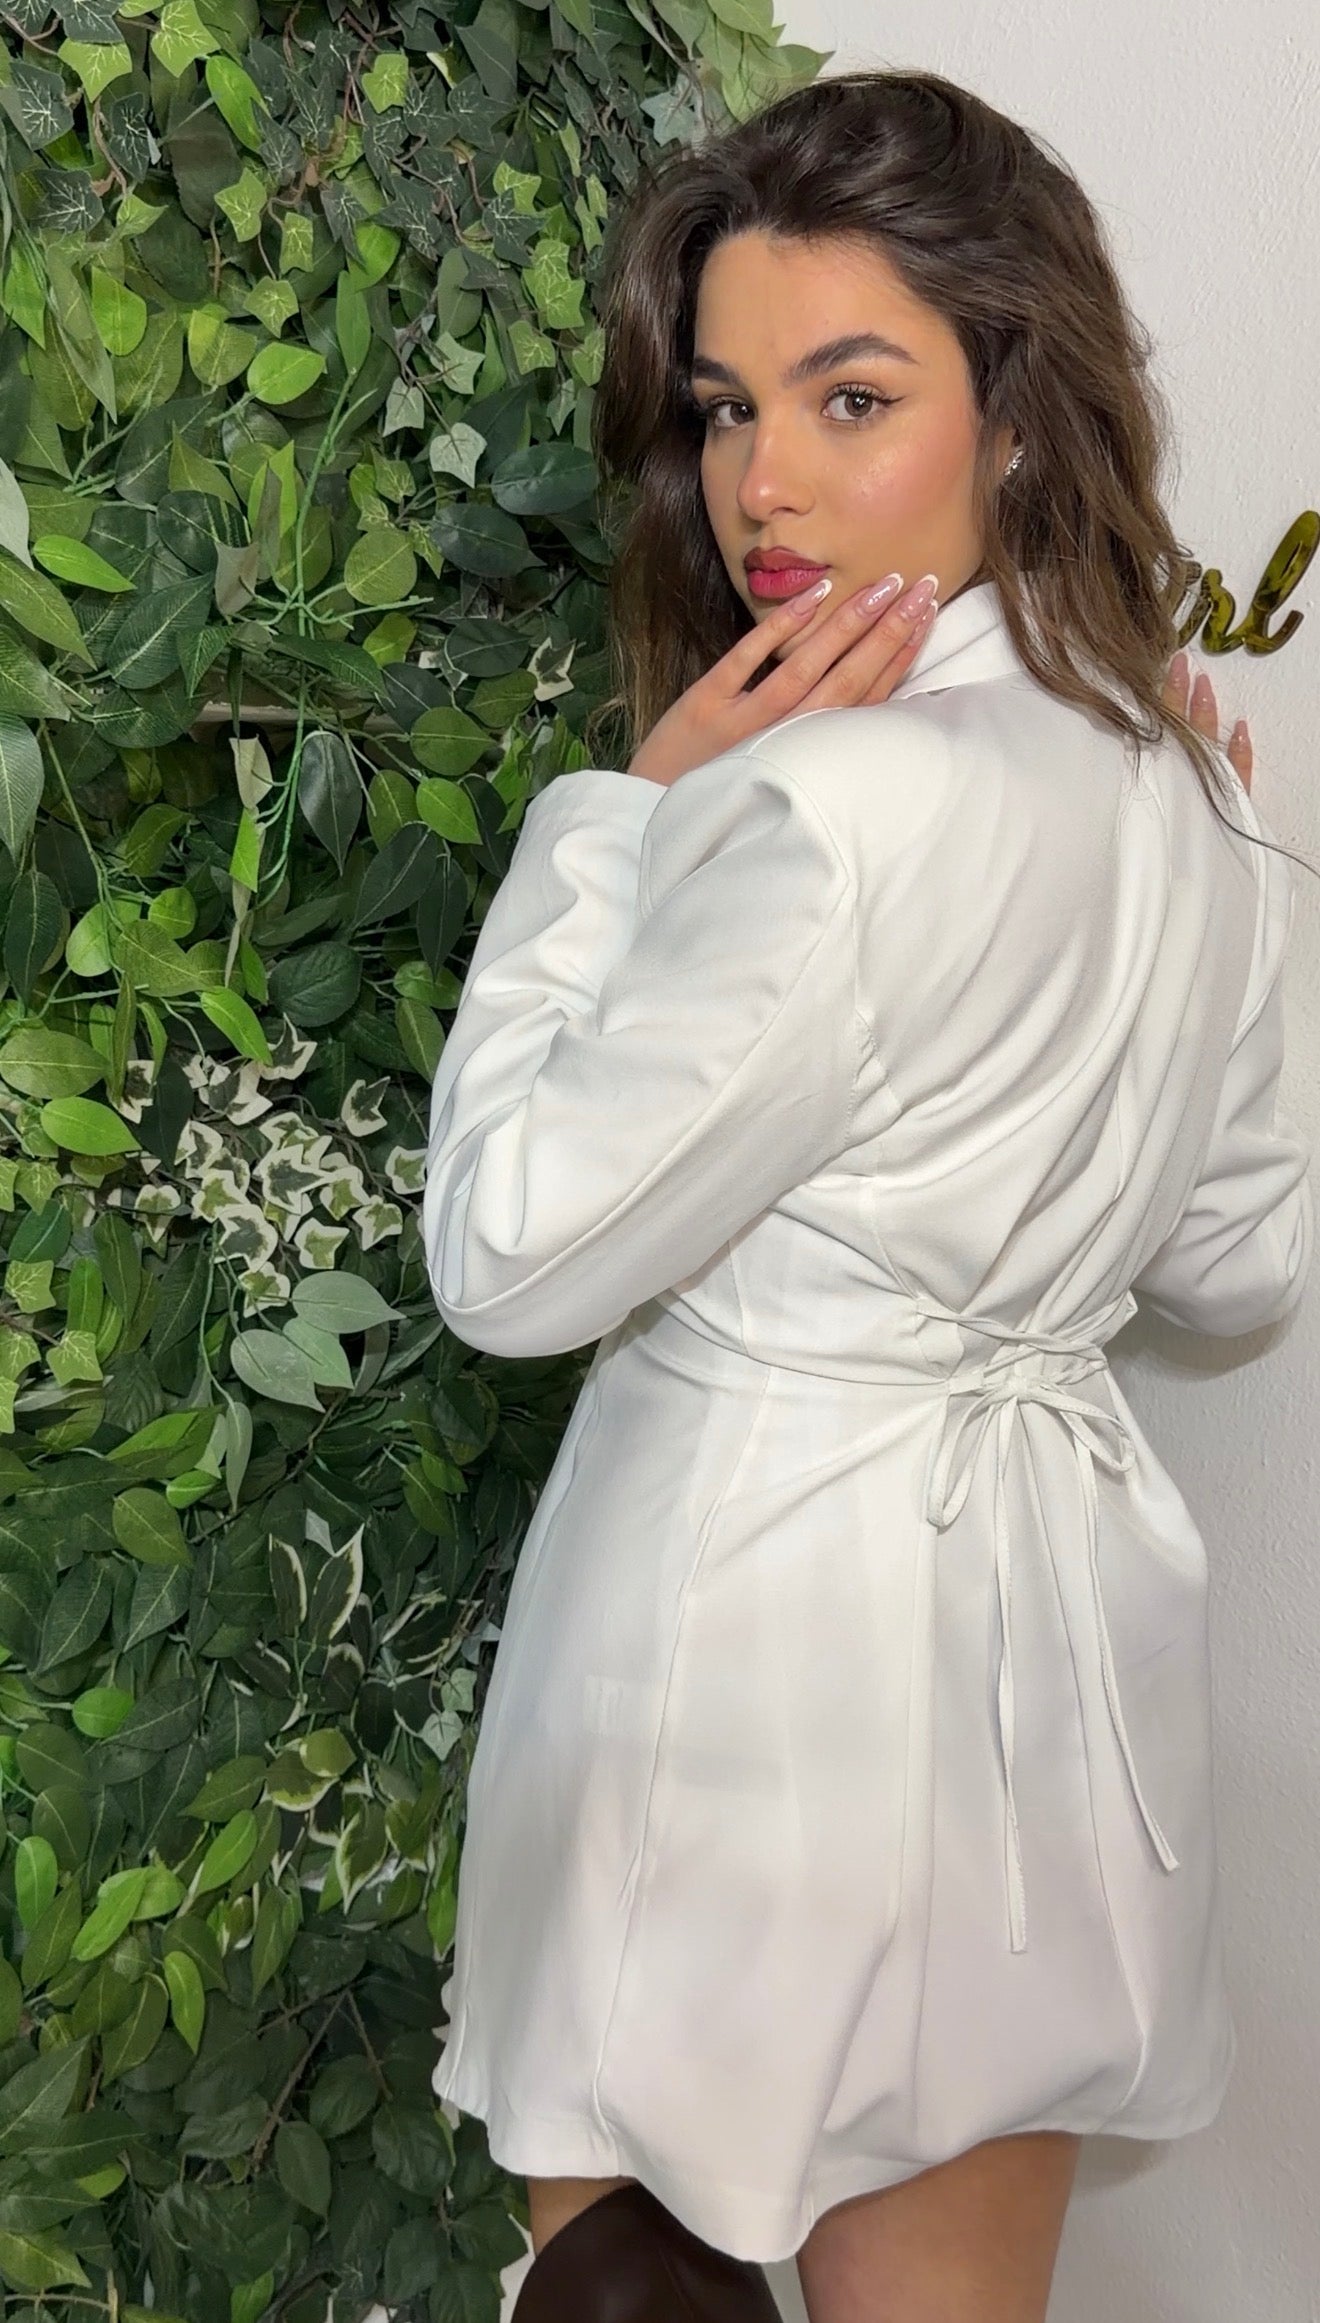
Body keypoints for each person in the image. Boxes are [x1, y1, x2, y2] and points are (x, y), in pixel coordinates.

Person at [420, 67, 1314, 2323]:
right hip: (1038, 1695)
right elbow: (1239, 1265)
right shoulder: (1192, 795)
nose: (764, 484)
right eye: (729, 409)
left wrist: (622, 818)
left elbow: (507, 1258)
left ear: (1016, 413)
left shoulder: (807, 812)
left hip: (740, 1682)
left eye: (850, 396)